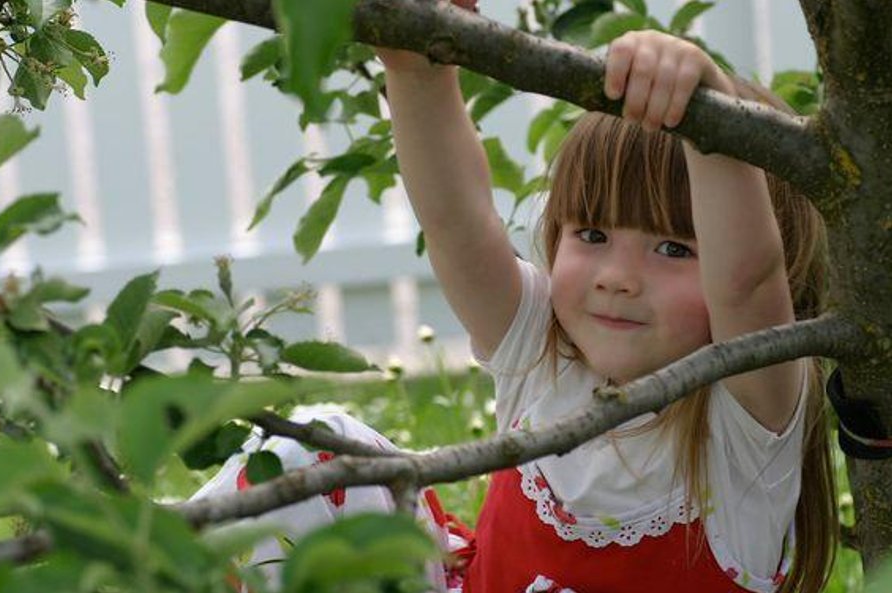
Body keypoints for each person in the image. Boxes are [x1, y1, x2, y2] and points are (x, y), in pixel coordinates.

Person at [192, 7, 837, 593]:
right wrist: (417, 76)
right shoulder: (543, 353)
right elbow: (454, 222)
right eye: (592, 234)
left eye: (673, 249)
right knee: (311, 451)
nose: (617, 276)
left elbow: (747, 285)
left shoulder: (749, 429)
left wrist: (712, 122)